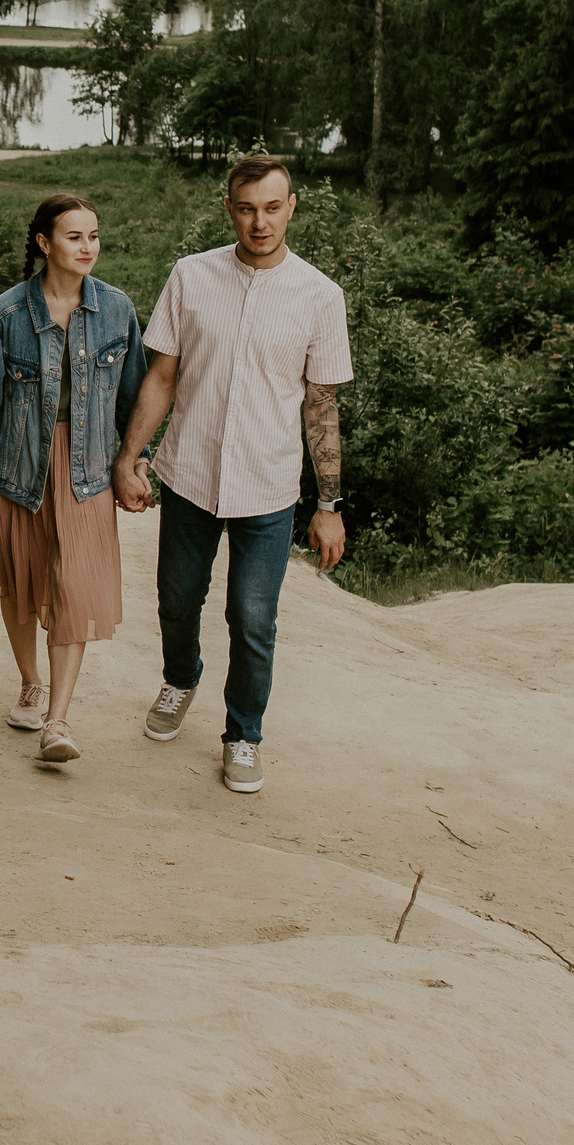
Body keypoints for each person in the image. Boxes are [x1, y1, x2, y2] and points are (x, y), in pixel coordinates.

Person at [118, 153, 351, 794]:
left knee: (252, 619)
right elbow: (162, 377)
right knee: (175, 600)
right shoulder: (191, 276)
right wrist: (128, 456)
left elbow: (322, 405)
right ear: (230, 209)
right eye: (247, 208)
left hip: (269, 488)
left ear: (292, 207)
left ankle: (243, 736)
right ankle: (181, 677)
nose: (260, 222)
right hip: (189, 476)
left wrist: (328, 503)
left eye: (272, 208)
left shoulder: (321, 297)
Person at [0, 194, 149, 764]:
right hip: (21, 468)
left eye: (93, 235)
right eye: (74, 237)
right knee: (22, 582)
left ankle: (57, 721)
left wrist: (134, 463)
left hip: (88, 469)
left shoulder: (117, 311)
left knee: (74, 588)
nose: (88, 247)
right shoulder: (5, 315)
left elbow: (134, 398)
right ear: (45, 244)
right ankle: (29, 681)